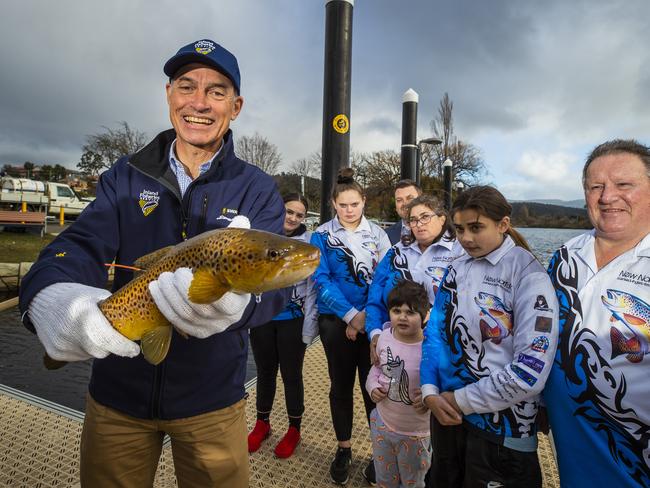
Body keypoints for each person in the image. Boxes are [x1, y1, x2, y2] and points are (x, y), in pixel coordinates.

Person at [18, 39, 289, 488]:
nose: (199, 102)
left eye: (216, 91)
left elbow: (276, 285)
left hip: (213, 402)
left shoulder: (257, 187)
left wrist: (243, 304)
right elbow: (79, 245)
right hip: (116, 397)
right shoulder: (123, 176)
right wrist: (50, 298)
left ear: (236, 106)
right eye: (187, 87)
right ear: (168, 95)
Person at [420, 185, 559, 487]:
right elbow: (435, 334)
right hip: (447, 416)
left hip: (502, 430)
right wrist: (429, 390)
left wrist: (462, 400)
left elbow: (529, 371)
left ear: (503, 224)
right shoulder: (455, 269)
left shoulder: (529, 275)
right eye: (459, 229)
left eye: (476, 228)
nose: (466, 238)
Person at [545, 139, 650, 487]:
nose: (607, 197)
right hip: (571, 446)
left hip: (634, 458)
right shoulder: (564, 257)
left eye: (624, 185)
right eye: (596, 186)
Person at [310, 167, 391, 485]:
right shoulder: (321, 235)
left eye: (354, 204)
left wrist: (367, 319)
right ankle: (344, 449)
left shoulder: (379, 235)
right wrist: (350, 316)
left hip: (372, 325)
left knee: (374, 389)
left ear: (364, 202)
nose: (349, 210)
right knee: (340, 387)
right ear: (333, 203)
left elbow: (385, 279)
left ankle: (379, 451)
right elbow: (321, 278)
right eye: (343, 205)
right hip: (336, 322)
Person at [247, 193, 317, 459]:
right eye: (290, 211)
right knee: (265, 372)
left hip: (292, 319)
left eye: (299, 215)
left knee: (291, 374)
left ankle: (294, 428)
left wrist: (310, 324)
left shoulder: (309, 243)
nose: (293, 218)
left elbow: (312, 285)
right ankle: (262, 423)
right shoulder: (263, 235)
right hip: (264, 317)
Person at [366, 194, 464, 364]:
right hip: (398, 342)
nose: (419, 225)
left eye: (425, 217)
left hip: (444, 347)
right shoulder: (397, 252)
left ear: (441, 219)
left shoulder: (460, 251)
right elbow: (376, 294)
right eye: (413, 220)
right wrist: (375, 333)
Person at [365, 280, 432, 488]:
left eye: (410, 312)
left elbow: (442, 381)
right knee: (384, 478)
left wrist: (431, 398)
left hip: (415, 434)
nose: (402, 317)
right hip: (382, 424)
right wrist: (372, 386)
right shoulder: (384, 337)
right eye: (396, 310)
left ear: (424, 316)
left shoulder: (430, 348)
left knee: (413, 481)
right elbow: (376, 368)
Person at [385, 180, 422, 245]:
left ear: (421, 200)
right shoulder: (385, 235)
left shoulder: (435, 232)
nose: (405, 203)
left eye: (410, 198)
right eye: (399, 200)